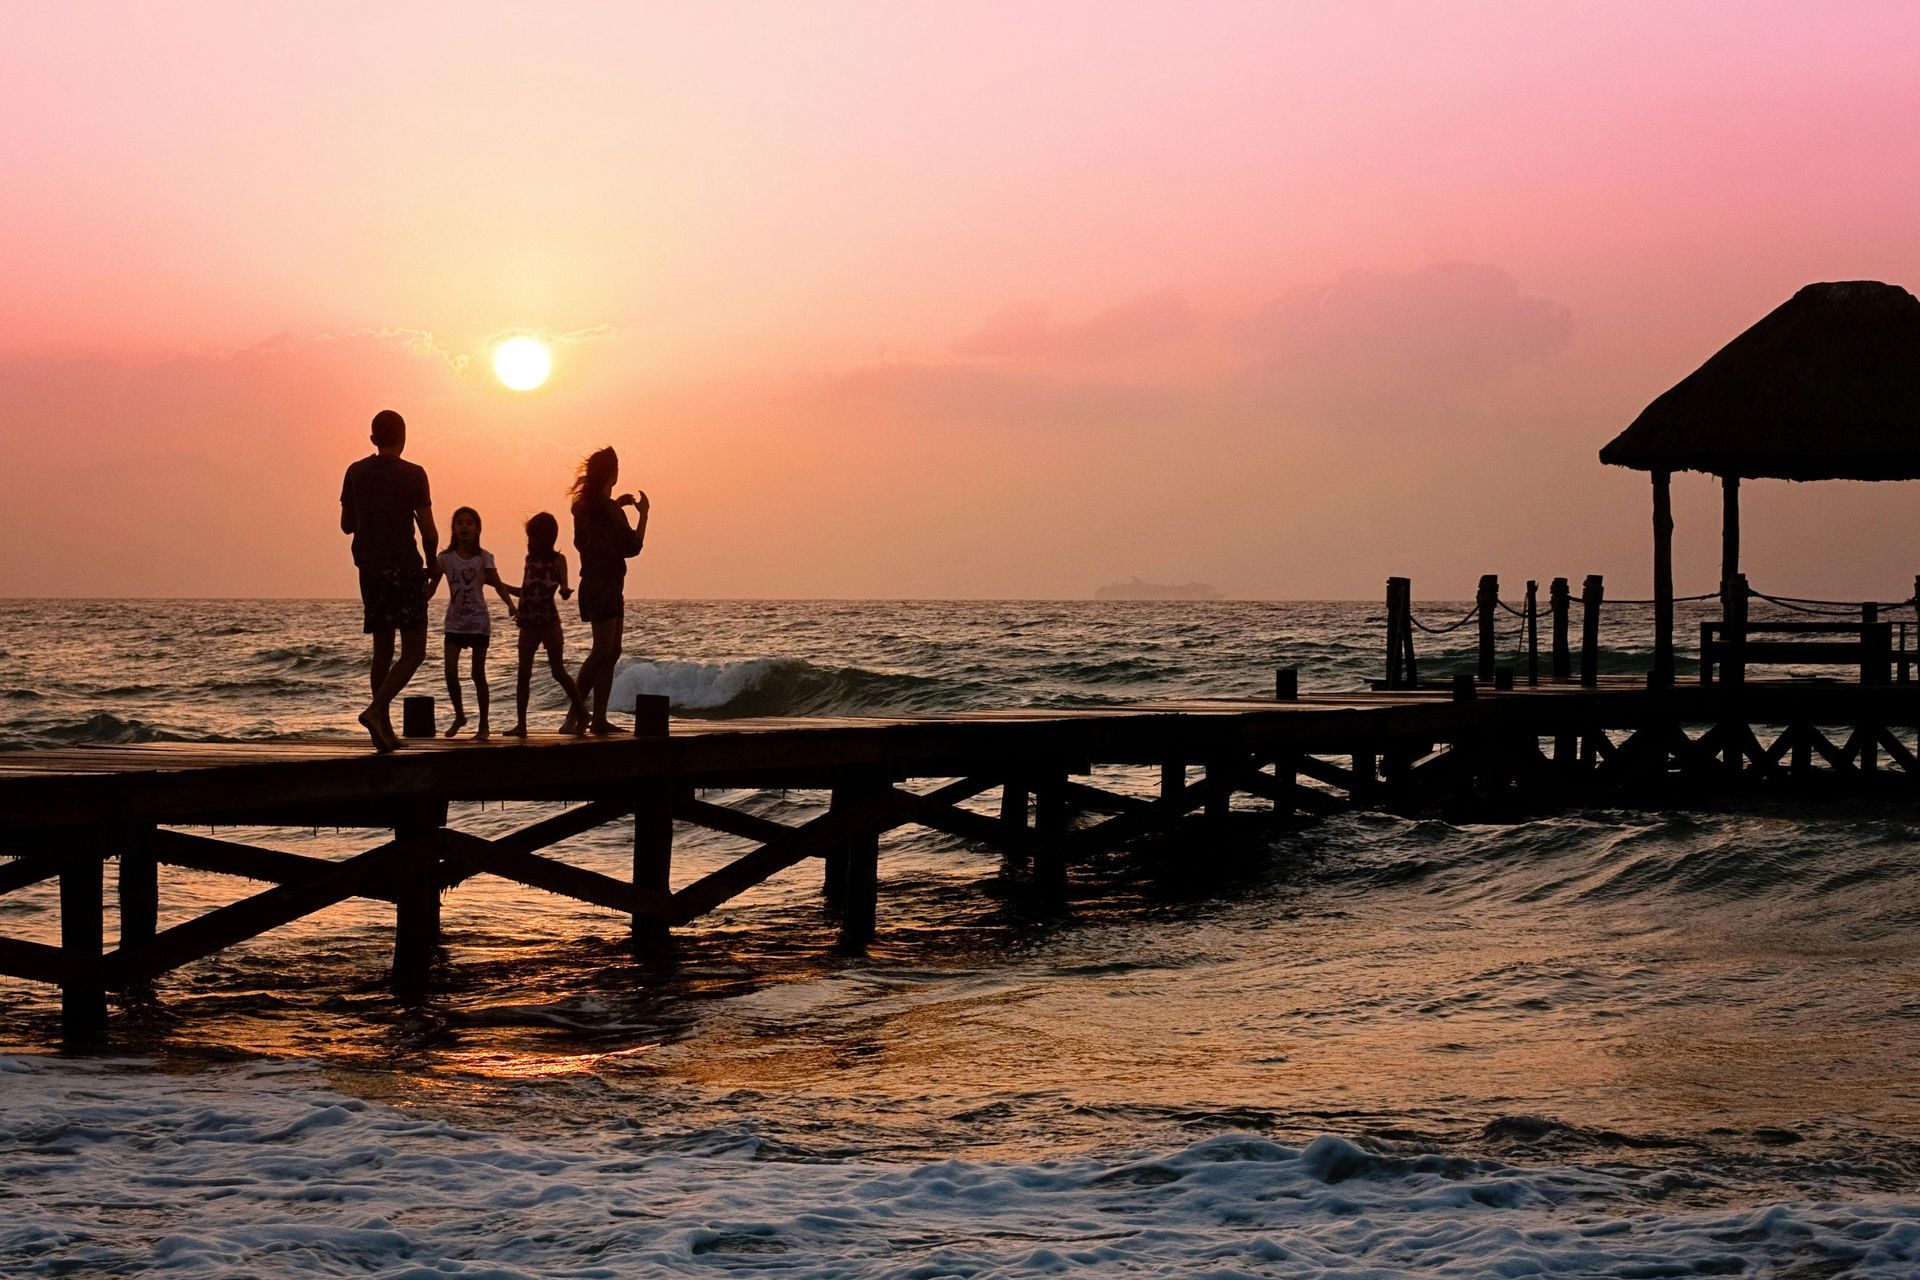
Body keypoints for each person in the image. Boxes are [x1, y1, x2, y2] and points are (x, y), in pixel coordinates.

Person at [340, 409, 435, 752]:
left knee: (383, 649)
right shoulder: (414, 474)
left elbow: (346, 525)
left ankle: (384, 731)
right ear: (404, 436)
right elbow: (428, 530)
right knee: (414, 651)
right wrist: (433, 563)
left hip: (369, 569)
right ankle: (376, 710)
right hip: (404, 568)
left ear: (372, 439)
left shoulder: (355, 472)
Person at [566, 447, 649, 735]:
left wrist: (617, 503)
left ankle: (598, 717)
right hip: (606, 585)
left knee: (611, 651)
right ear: (611, 473)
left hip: (594, 583)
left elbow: (599, 522)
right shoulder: (608, 511)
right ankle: (574, 716)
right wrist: (644, 514)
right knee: (602, 651)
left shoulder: (584, 506)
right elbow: (633, 547)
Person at [426, 506, 517, 740]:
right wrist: (418, 603)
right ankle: (460, 715)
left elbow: (497, 584)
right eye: (459, 523)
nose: (464, 527)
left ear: (477, 528)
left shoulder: (484, 557)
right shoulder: (444, 559)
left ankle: (484, 726)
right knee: (449, 670)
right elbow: (431, 587)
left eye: (469, 523)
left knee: (478, 674)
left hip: (478, 622)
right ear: (454, 529)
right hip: (454, 623)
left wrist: (511, 605)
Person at [503, 512, 587, 738]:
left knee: (558, 671)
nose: (530, 542)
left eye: (533, 537)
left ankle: (582, 711)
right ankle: (521, 724)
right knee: (523, 673)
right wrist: (500, 586)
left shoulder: (558, 561)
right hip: (528, 623)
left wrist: (566, 591)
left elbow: (564, 589)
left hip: (549, 621)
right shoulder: (529, 560)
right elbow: (525, 592)